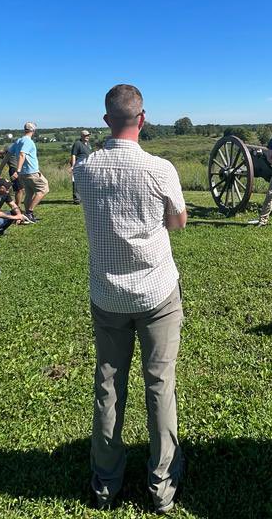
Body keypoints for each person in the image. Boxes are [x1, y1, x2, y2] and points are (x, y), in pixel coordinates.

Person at [74, 84, 187, 514]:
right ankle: (162, 484)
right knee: (159, 384)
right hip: (157, 291)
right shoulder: (160, 168)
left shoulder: (85, 169)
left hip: (107, 294)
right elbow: (177, 222)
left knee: (108, 384)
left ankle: (106, 481)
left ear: (107, 120)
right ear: (142, 119)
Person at [13, 122, 49, 221]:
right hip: (31, 171)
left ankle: (27, 215)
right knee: (44, 189)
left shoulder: (19, 141)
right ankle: (29, 212)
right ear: (33, 130)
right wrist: (17, 170)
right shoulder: (28, 141)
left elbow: (8, 154)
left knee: (29, 193)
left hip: (23, 173)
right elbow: (22, 154)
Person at [70, 129, 91, 204]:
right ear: (81, 136)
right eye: (85, 135)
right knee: (76, 182)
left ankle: (84, 197)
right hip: (78, 165)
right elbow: (73, 155)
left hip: (87, 165)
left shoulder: (88, 144)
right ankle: (77, 199)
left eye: (88, 135)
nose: (87, 137)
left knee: (85, 182)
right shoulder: (77, 143)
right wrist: (73, 166)